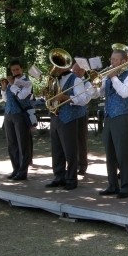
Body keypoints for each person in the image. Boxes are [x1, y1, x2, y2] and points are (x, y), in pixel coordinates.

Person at [99, 49, 128, 198]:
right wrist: (97, 84)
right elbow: (99, 93)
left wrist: (114, 78)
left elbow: (125, 93)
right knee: (110, 153)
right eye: (111, 59)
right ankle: (112, 185)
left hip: (121, 116)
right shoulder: (108, 77)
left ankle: (126, 187)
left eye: (115, 60)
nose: (112, 62)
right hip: (108, 116)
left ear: (123, 62)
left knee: (122, 153)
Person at [45, 62, 87, 190]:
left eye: (58, 65)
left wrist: (66, 97)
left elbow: (83, 99)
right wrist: (47, 94)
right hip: (55, 116)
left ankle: (71, 179)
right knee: (56, 149)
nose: (55, 68)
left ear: (64, 66)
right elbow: (52, 97)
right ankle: (59, 176)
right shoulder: (55, 80)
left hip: (69, 118)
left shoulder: (76, 79)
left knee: (70, 150)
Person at [1, 59, 33, 180]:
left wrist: (13, 85)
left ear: (22, 69)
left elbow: (21, 96)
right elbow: (5, 99)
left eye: (17, 69)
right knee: (12, 143)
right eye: (13, 70)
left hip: (20, 115)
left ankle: (22, 171)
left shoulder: (27, 82)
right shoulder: (11, 82)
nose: (15, 72)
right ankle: (15, 168)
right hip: (8, 114)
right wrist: (4, 88)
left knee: (22, 143)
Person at [72, 62, 99, 175]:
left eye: (75, 71)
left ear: (82, 71)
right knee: (72, 140)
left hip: (81, 114)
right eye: (72, 71)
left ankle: (82, 164)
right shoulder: (71, 81)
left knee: (81, 139)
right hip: (71, 113)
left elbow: (88, 98)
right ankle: (73, 163)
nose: (73, 73)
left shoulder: (87, 83)